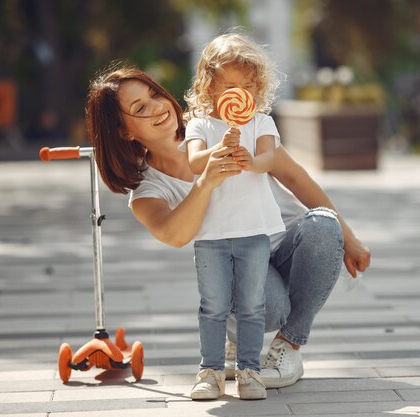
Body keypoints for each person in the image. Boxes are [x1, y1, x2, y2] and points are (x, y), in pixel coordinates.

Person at [85, 60, 371, 394]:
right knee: (271, 307)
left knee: (324, 225)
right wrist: (205, 182)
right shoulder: (148, 192)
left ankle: (289, 347)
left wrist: (348, 238)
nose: (158, 107)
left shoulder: (217, 123)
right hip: (240, 262)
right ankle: (236, 337)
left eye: (155, 94)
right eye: (140, 107)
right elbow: (176, 235)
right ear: (124, 132)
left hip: (287, 242)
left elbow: (294, 176)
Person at [180, 33, 286, 400]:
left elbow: (269, 158)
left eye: (246, 85)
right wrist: (217, 151)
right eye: (228, 84)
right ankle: (209, 371)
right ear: (209, 84)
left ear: (256, 87)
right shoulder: (199, 125)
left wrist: (251, 161)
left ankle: (250, 372)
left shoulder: (260, 122)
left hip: (254, 230)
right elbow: (192, 161)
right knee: (213, 304)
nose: (237, 92)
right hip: (210, 231)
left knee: (253, 305)